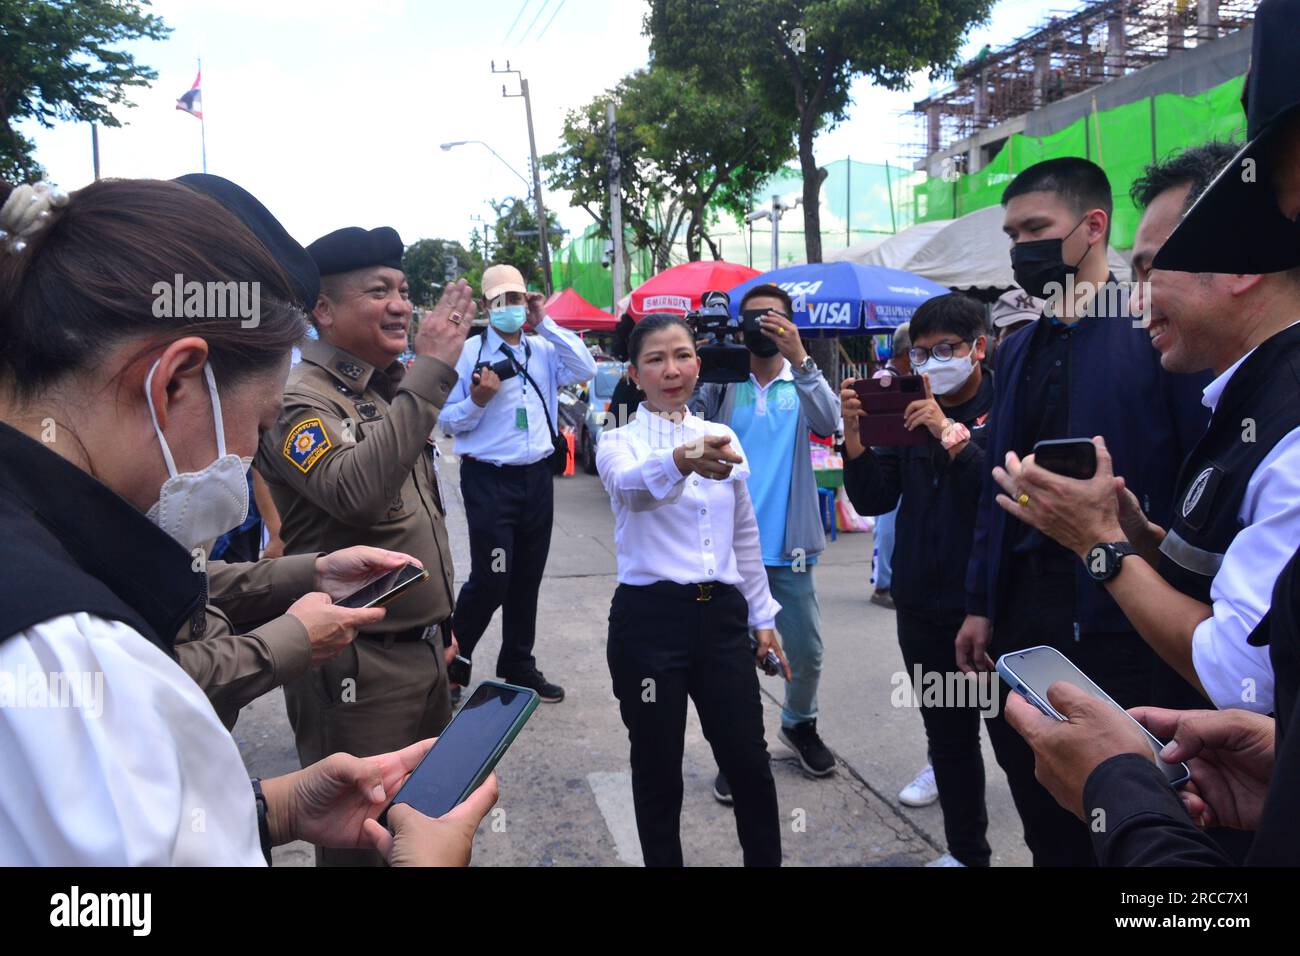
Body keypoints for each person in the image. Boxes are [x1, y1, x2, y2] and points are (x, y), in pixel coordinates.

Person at [0, 175, 495, 865]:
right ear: (173, 382)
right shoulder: (64, 649)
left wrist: (272, 810)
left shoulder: (49, 546)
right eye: (258, 425)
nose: (245, 460)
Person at [1003, 0, 1300, 866]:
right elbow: (1241, 585)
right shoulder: (1238, 401)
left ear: (1240, 260)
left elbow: (1240, 670)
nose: (1134, 299)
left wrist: (1099, 546)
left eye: (1148, 269)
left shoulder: (1283, 422)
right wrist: (1146, 537)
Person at [955, 156, 1211, 867]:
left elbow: (1201, 479)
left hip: (1127, 624)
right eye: (1012, 234)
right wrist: (980, 603)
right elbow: (995, 492)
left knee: (1129, 814)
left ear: (1093, 226)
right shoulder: (1017, 347)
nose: (1021, 249)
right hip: (1022, 626)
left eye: (1036, 228)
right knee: (1043, 812)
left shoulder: (1157, 332)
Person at [255, 224, 473, 866]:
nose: (402, 305)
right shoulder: (301, 401)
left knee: (431, 826)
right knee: (364, 842)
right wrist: (429, 372)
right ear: (323, 311)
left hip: (426, 652)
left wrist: (440, 623)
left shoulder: (387, 392)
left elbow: (419, 525)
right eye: (379, 291)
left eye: (404, 290)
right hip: (357, 669)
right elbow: (355, 494)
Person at [596, 313, 790, 867]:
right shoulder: (618, 443)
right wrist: (681, 460)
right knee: (658, 768)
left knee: (749, 762)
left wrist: (763, 617)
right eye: (655, 359)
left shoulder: (723, 438)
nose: (671, 369)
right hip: (650, 622)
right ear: (634, 374)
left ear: (698, 364)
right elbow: (631, 491)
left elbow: (744, 535)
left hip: (722, 620)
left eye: (682, 355)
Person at [841, 293, 995, 867]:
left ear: (978, 348)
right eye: (922, 353)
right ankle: (966, 854)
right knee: (950, 740)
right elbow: (876, 496)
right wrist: (855, 438)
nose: (931, 362)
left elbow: (1009, 496)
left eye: (946, 350)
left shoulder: (1006, 402)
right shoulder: (909, 408)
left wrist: (951, 435)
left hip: (991, 608)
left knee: (1022, 739)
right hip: (923, 608)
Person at [691, 284, 839, 798]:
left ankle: (799, 723)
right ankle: (740, 751)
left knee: (807, 651)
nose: (763, 327)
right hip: (724, 549)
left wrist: (803, 359)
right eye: (753, 318)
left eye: (774, 318)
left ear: (791, 324)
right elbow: (685, 431)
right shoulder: (724, 379)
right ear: (739, 325)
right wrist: (706, 364)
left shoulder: (802, 382)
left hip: (789, 545)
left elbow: (831, 422)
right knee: (731, 662)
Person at [439, 264, 598, 703]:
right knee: (493, 578)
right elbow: (446, 420)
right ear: (488, 308)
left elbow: (585, 367)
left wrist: (544, 319)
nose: (510, 308)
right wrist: (477, 400)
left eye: (517, 299)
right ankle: (451, 659)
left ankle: (517, 663)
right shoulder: (471, 353)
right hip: (489, 479)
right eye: (501, 302)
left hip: (537, 477)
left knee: (526, 578)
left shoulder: (544, 350)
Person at [870, 323, 911, 611]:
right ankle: (883, 584)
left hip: (901, 460)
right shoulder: (885, 378)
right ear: (908, 353)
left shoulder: (906, 378)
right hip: (884, 462)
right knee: (887, 528)